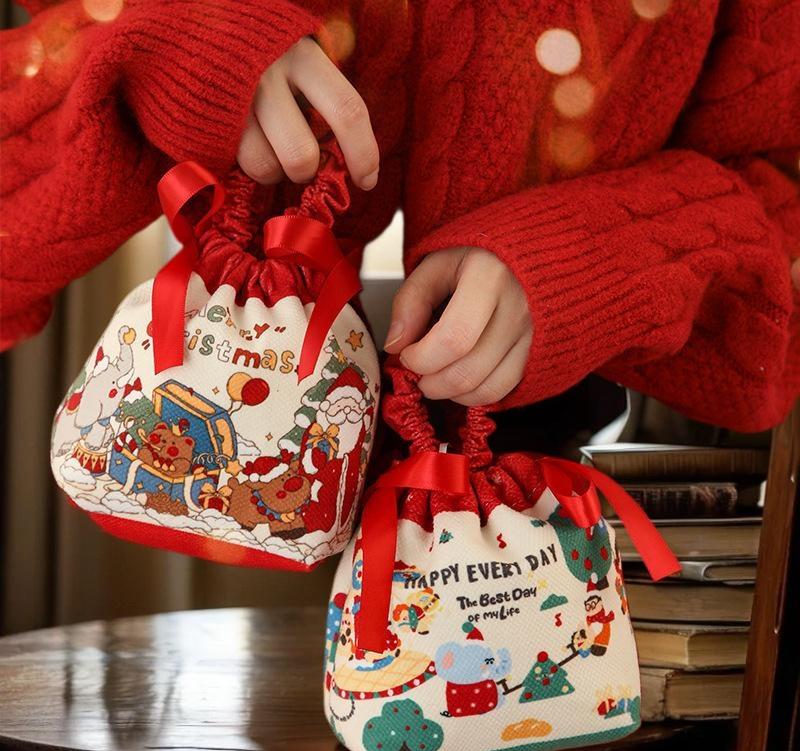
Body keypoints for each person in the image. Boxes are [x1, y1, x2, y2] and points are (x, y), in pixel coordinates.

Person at [1, 0, 798, 432]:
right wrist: (169, 36)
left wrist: (600, 255)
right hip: (191, 418)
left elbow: (781, 180)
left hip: (555, 508)